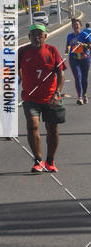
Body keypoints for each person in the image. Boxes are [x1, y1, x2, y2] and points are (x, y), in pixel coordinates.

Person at [18, 23, 65, 173]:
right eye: (34, 34)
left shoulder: (52, 51)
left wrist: (57, 92)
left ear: (45, 36)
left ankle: (50, 160)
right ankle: (38, 161)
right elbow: (16, 68)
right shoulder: (22, 51)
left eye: (40, 34)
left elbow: (61, 73)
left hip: (51, 97)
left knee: (52, 129)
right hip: (30, 98)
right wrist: (21, 82)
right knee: (32, 126)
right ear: (29, 37)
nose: (37, 37)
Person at [65, 18, 90, 105]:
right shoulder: (70, 36)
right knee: (78, 77)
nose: (76, 26)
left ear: (80, 26)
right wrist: (67, 49)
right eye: (74, 25)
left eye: (77, 25)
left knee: (84, 79)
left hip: (85, 58)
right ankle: (79, 97)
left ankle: (85, 94)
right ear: (72, 26)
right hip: (74, 59)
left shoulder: (85, 35)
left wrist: (84, 45)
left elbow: (90, 46)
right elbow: (68, 45)